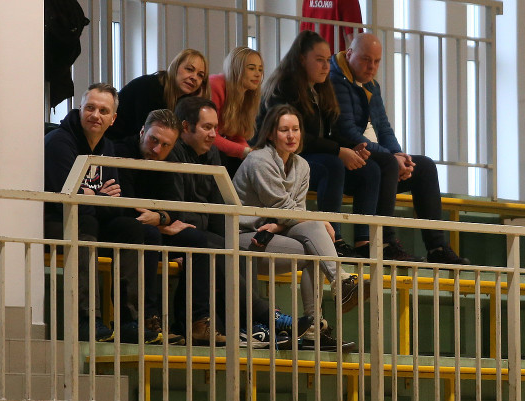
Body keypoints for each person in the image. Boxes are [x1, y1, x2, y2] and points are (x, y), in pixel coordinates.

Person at [155, 96, 313, 347]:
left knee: (236, 248)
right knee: (216, 249)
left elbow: (220, 207)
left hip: (201, 234)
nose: (213, 134)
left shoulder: (211, 152)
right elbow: (177, 209)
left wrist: (229, 239)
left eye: (215, 128)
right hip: (178, 232)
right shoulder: (173, 153)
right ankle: (266, 316)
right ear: (186, 127)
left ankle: (251, 327)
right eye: (207, 127)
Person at [258, 30, 420, 262]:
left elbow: (335, 131)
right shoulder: (285, 88)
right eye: (319, 60)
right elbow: (297, 138)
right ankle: (333, 238)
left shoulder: (322, 88)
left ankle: (365, 242)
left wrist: (353, 148)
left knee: (370, 168)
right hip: (286, 159)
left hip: (315, 155)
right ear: (302, 59)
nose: (326, 66)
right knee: (332, 165)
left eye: (328, 60)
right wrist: (339, 151)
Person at [329, 33, 470, 264]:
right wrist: (390, 158)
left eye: (377, 61)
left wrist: (399, 155)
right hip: (351, 163)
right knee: (386, 164)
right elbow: (346, 132)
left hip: (378, 159)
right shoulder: (336, 81)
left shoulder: (372, 85)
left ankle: (437, 248)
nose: (372, 67)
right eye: (366, 60)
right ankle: (385, 242)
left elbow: (384, 127)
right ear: (350, 54)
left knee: (424, 166)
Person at [234, 104, 365, 351]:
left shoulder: (302, 165)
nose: (291, 135)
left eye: (295, 129)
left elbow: (295, 212)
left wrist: (280, 224)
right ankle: (339, 282)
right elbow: (283, 207)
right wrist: (318, 220)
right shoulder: (259, 160)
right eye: (284, 130)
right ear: (270, 133)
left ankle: (317, 323)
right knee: (314, 243)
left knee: (313, 239)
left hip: (272, 231)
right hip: (243, 236)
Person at [44, 83, 160, 344]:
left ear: (113, 119)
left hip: (91, 219)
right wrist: (99, 197)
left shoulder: (107, 147)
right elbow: (65, 201)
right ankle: (87, 319)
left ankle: (129, 320)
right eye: (90, 108)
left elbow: (114, 202)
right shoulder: (59, 143)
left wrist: (90, 195)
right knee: (84, 223)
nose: (95, 115)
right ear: (80, 109)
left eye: (103, 111)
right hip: (55, 221)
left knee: (132, 228)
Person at [115, 108, 214, 345]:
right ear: (142, 132)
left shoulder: (169, 160)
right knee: (149, 235)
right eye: (153, 140)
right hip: (125, 228)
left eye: (166, 145)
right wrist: (163, 220)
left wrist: (161, 218)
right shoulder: (120, 152)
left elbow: (175, 207)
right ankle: (148, 319)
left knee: (198, 241)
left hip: (154, 225)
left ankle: (196, 322)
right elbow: (125, 205)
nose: (157, 149)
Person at [106, 49, 210, 140]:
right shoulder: (150, 86)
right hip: (115, 144)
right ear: (175, 67)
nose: (194, 77)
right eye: (189, 69)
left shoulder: (185, 101)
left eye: (200, 75)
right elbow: (148, 137)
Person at [209, 46, 263, 176]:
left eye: (260, 69)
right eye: (251, 68)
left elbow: (237, 135)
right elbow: (210, 135)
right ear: (236, 69)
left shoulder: (247, 95)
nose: (258, 74)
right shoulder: (215, 85)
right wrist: (245, 152)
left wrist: (249, 153)